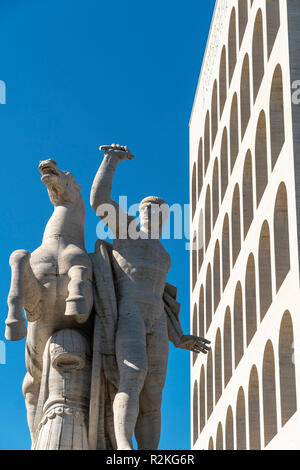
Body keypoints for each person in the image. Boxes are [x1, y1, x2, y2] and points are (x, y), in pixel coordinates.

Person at [90, 144, 210, 450]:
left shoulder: (164, 254)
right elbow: (99, 201)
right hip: (128, 312)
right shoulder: (127, 230)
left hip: (156, 317)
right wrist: (111, 160)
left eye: (160, 211)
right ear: (140, 213)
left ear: (165, 218)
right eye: (147, 209)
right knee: (133, 374)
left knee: (154, 393)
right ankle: (122, 445)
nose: (153, 213)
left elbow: (163, 299)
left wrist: (179, 337)